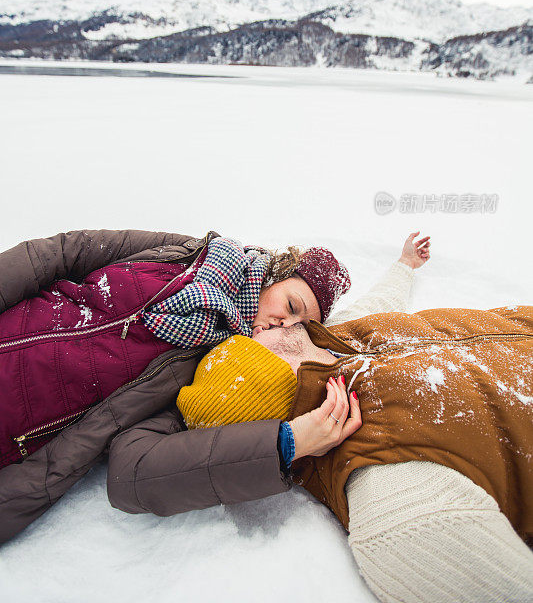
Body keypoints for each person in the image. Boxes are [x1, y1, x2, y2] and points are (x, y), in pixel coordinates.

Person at [171, 235, 533, 603]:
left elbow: (382, 299)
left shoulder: (332, 336)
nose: (258, 326)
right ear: (267, 382)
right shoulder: (386, 482)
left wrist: (405, 264)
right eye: (250, 343)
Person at [0, 225, 353, 540]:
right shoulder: (192, 256)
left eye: (299, 326)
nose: (284, 324)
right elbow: (64, 253)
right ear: (275, 276)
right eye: (291, 304)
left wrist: (284, 444)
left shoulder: (212, 371)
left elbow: (135, 470)